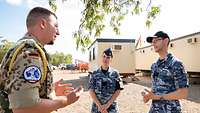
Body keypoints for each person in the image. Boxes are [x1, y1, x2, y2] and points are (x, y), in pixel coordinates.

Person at [0, 7, 82, 113]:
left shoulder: (24, 47)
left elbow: (15, 91)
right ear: (43, 24)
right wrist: (66, 100)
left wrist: (48, 91)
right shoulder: (30, 51)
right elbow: (24, 108)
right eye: (55, 26)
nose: (58, 32)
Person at [141, 31, 189, 113]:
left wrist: (157, 97)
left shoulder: (176, 64)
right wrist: (148, 96)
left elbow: (183, 93)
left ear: (166, 41)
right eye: (152, 41)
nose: (153, 43)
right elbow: (155, 89)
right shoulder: (154, 66)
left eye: (156, 40)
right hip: (154, 110)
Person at [88, 48, 124, 113]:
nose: (105, 59)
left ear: (111, 59)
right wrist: (100, 106)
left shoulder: (115, 73)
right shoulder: (94, 73)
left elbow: (118, 90)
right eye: (104, 56)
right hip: (97, 108)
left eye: (108, 57)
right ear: (101, 57)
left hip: (111, 108)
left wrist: (107, 105)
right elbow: (91, 90)